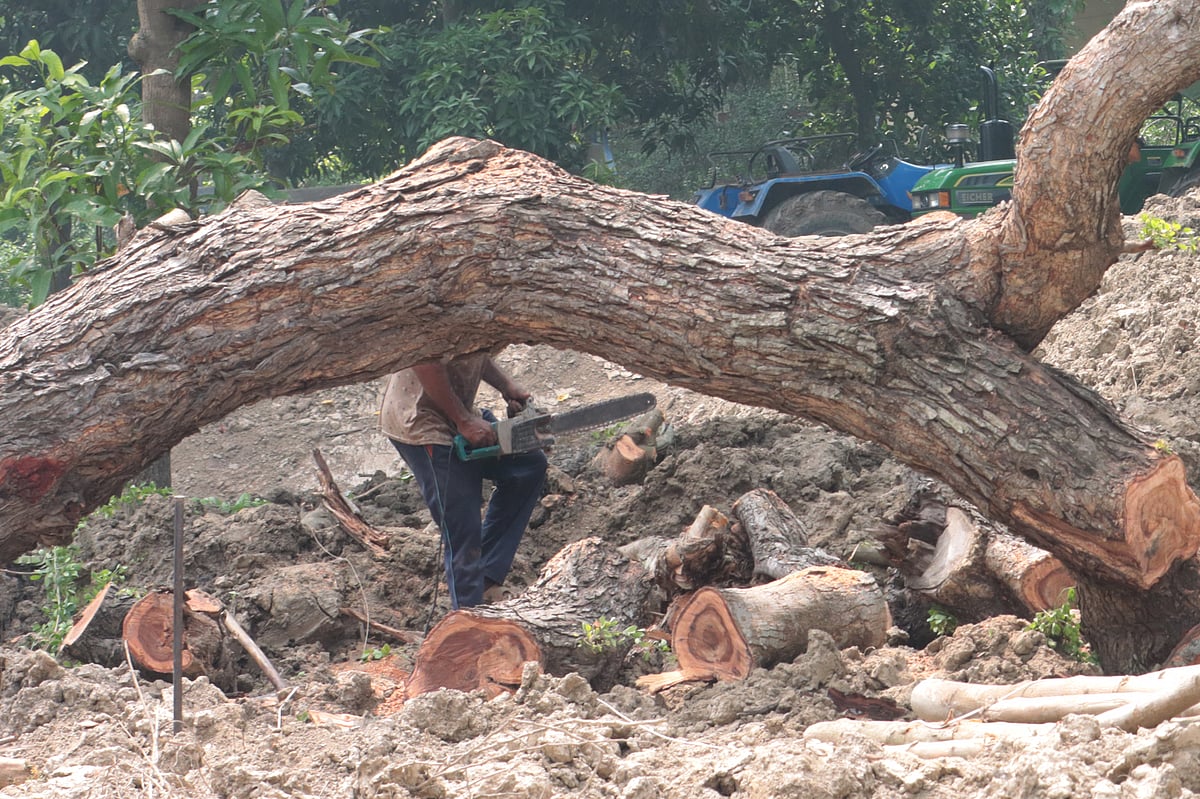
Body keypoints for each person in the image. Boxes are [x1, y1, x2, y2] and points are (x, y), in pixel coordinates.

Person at [379, 351, 547, 608]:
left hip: (458, 412)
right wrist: (464, 421)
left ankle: (486, 578)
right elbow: (424, 359)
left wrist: (506, 385)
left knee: (527, 466)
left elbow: (474, 351)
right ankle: (469, 624)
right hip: (421, 421)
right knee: (463, 531)